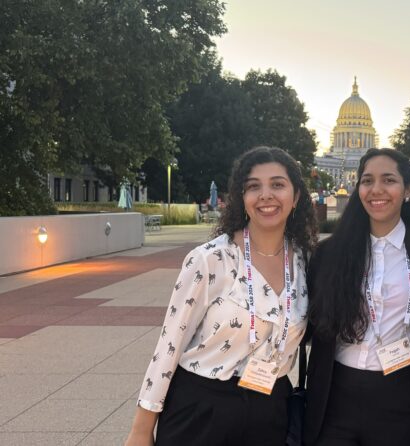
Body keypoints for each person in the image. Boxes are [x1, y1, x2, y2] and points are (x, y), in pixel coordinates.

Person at [124, 147, 316, 446]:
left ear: (297, 196)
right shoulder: (210, 259)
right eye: (254, 186)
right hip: (201, 410)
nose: (266, 195)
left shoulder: (306, 262)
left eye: (277, 184)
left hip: (271, 412)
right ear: (242, 197)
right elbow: (168, 346)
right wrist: (141, 430)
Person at [305, 149, 410, 446]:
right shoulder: (330, 254)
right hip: (334, 394)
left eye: (388, 180)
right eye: (367, 181)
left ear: (408, 190)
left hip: (402, 395)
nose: (376, 189)